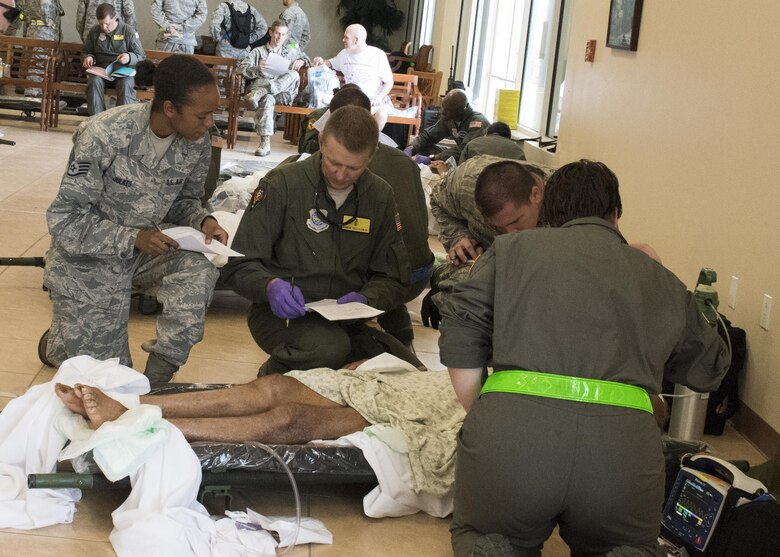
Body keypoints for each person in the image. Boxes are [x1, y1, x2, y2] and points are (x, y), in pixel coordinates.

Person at [438, 160, 731, 557]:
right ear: (615, 214)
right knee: (627, 546)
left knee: (487, 539)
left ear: (548, 209)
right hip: (620, 460)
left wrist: (482, 411)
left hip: (512, 449)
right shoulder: (655, 276)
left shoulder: (508, 251)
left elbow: (461, 322)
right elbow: (710, 367)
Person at [40, 55, 229, 385]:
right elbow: (64, 219)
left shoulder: (196, 141)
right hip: (89, 262)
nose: (209, 123)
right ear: (169, 109)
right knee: (110, 378)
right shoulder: (105, 134)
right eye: (202, 115)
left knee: (199, 270)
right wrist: (133, 238)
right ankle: (61, 342)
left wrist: (204, 221)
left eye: (213, 113)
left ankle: (159, 374)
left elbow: (184, 201)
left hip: (144, 255)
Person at [221, 105, 418, 376]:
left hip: (345, 320)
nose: (341, 175)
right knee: (329, 349)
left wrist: (367, 298)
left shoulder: (380, 196)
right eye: (334, 163)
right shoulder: (283, 184)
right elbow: (237, 266)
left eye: (353, 168)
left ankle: (306, 374)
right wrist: (270, 285)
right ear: (322, 142)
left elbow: (394, 278)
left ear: (371, 156)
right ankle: (274, 374)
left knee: (407, 369)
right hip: (283, 316)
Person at [283, 85, 434, 348]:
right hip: (419, 272)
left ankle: (348, 342)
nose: (342, 173)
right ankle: (399, 336)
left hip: (388, 277)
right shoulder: (403, 160)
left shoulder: (335, 166)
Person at [237, 19, 309, 157]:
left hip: (282, 94)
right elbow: (241, 69)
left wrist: (302, 60)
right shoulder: (258, 51)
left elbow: (308, 60)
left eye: (283, 34)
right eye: (277, 33)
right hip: (265, 94)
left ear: (286, 36)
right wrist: (258, 68)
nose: (279, 37)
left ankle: (262, 91)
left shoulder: (291, 50)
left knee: (294, 74)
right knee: (268, 99)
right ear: (270, 32)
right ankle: (265, 143)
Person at [311, 24, 394, 129]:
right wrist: (320, 61)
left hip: (372, 102)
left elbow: (389, 82)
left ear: (356, 40)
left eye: (346, 37)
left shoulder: (377, 55)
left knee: (382, 115)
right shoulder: (344, 54)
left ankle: (370, 139)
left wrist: (379, 97)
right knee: (327, 120)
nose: (343, 40)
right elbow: (331, 63)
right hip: (349, 100)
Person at [82, 3, 144, 116]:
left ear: (115, 18)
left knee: (126, 84)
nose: (104, 27)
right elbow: (86, 51)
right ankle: (97, 119)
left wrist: (129, 57)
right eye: (101, 24)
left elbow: (141, 56)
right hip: (101, 72)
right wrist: (88, 57)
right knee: (93, 82)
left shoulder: (127, 31)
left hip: (123, 72)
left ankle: (122, 120)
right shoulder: (94, 32)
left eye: (107, 24)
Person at [404, 89, 490, 162]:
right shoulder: (450, 118)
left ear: (463, 109)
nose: (443, 112)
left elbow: (465, 150)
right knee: (423, 147)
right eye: (443, 108)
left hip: (475, 160)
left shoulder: (477, 123)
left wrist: (433, 158)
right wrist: (411, 148)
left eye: (448, 110)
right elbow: (429, 136)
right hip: (459, 154)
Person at [458, 121, 526, 164]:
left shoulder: (471, 144)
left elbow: (460, 170)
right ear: (508, 137)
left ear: (487, 133)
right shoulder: (518, 150)